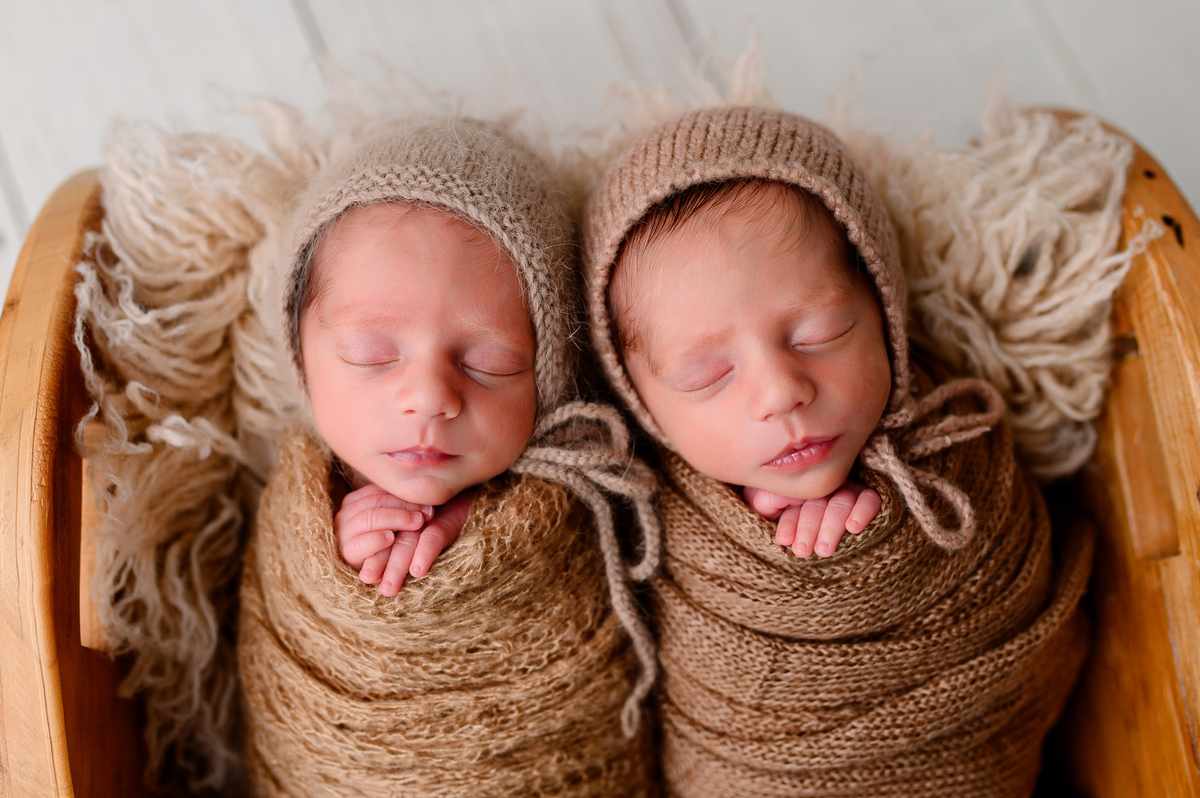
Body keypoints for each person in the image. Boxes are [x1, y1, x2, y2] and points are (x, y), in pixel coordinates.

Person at [582, 106, 1091, 797]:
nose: (779, 393)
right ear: (639, 401)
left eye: (819, 333)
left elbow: (1009, 583)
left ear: (883, 305)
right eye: (707, 374)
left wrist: (879, 538)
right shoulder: (639, 518)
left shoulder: (964, 442)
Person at [237, 117, 658, 797]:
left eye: (487, 361)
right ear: (301, 358)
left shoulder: (584, 489)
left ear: (549, 374)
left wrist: (487, 536)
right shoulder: (294, 498)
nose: (430, 397)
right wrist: (335, 553)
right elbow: (290, 643)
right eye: (372, 355)